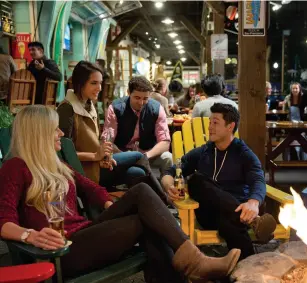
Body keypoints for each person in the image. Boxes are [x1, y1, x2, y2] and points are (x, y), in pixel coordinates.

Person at [0, 105, 241, 283]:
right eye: (55, 130)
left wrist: (111, 206)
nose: (61, 134)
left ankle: (192, 266)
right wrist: (29, 236)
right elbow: (3, 221)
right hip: (60, 251)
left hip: (84, 233)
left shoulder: (59, 165)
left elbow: (91, 188)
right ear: (38, 134)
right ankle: (196, 263)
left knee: (146, 211)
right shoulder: (16, 168)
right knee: (145, 205)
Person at [162, 103, 276, 260]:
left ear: (230, 126)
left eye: (215, 122)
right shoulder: (204, 152)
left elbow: (258, 179)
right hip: (209, 213)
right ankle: (254, 222)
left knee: (229, 223)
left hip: (235, 217)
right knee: (196, 180)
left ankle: (247, 267)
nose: (210, 127)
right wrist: (169, 186)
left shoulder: (244, 154)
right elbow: (170, 171)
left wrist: (253, 203)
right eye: (209, 122)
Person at [57, 61, 146, 189]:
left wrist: (105, 156)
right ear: (80, 83)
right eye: (94, 83)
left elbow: (94, 142)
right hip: (82, 171)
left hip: (97, 164)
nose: (99, 88)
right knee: (138, 156)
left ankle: (132, 204)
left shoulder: (89, 104)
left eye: (100, 83)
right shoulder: (67, 109)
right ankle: (164, 197)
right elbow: (63, 153)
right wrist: (95, 156)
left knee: (138, 173)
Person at [102, 76, 173, 175]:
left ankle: (165, 188)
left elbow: (165, 142)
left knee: (168, 157)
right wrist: (124, 155)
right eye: (137, 98)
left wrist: (145, 156)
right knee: (134, 172)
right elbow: (108, 141)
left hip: (148, 154)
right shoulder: (115, 108)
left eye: (145, 98)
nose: (141, 102)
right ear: (128, 93)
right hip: (122, 154)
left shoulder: (157, 108)